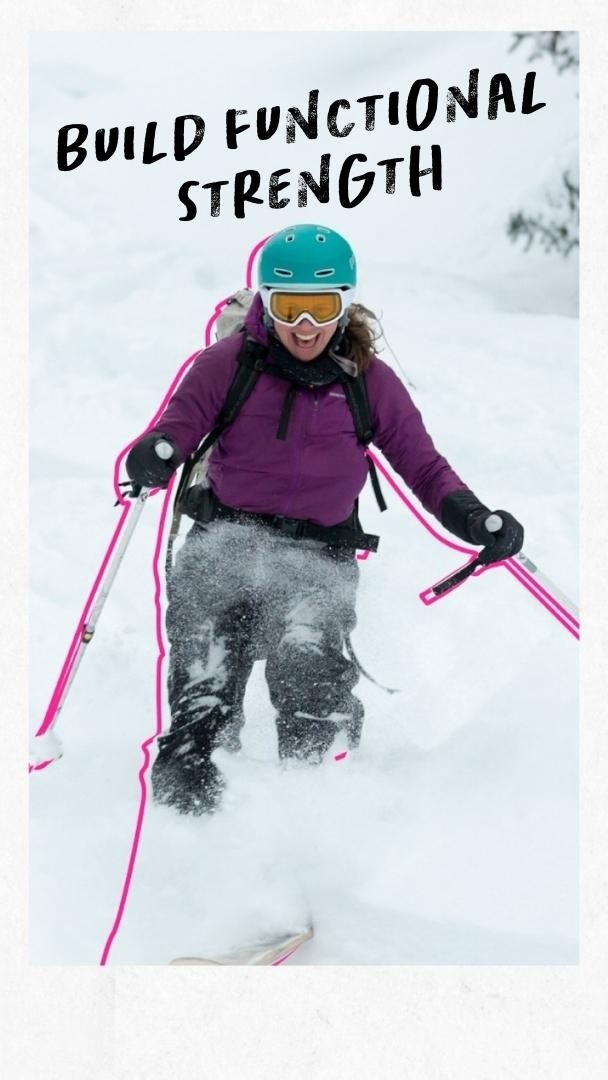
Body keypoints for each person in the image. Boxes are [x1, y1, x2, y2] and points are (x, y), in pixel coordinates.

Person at [125, 223, 524, 815]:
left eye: (322, 307)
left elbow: (424, 466)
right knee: (203, 696)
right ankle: (191, 821)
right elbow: (178, 427)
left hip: (315, 560)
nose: (306, 326)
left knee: (308, 673)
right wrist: (157, 453)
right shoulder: (226, 365)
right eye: (290, 308)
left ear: (345, 305)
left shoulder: (369, 383)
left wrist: (473, 518)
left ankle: (314, 818)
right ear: (266, 303)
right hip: (224, 541)